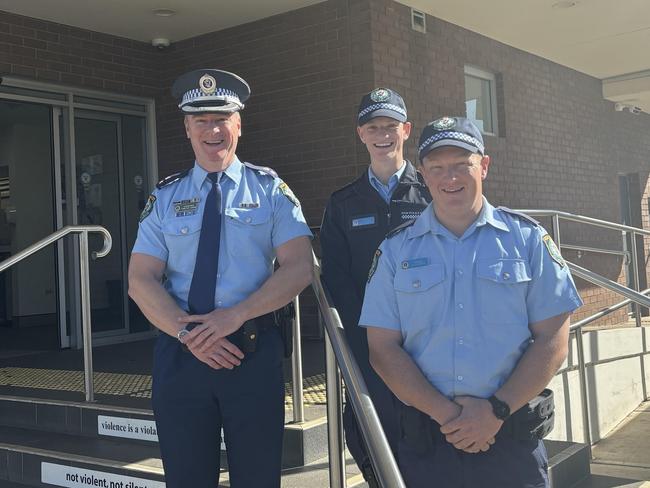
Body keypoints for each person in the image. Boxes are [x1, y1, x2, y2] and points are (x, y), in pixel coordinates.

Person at [359, 116, 583, 488]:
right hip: (431, 442)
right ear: (424, 175)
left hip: (510, 438)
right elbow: (382, 349)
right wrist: (449, 415)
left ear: (484, 165)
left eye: (462, 165)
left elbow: (554, 339)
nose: (450, 178)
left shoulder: (527, 240)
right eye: (437, 168)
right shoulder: (395, 250)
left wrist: (494, 411)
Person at [128, 69, 313, 488]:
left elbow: (301, 265)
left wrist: (234, 317)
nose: (212, 130)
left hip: (251, 352)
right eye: (201, 120)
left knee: (258, 477)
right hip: (181, 356)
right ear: (187, 128)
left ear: (239, 125)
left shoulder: (270, 190)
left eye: (222, 119)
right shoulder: (165, 196)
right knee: (187, 478)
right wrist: (188, 333)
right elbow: (140, 278)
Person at [320, 87, 431, 485]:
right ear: (360, 134)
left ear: (406, 130)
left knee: (432, 438)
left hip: (430, 344)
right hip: (371, 346)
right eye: (372, 126)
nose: (382, 134)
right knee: (372, 435)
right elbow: (335, 277)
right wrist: (366, 336)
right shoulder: (343, 203)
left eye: (390, 126)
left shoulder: (434, 192)